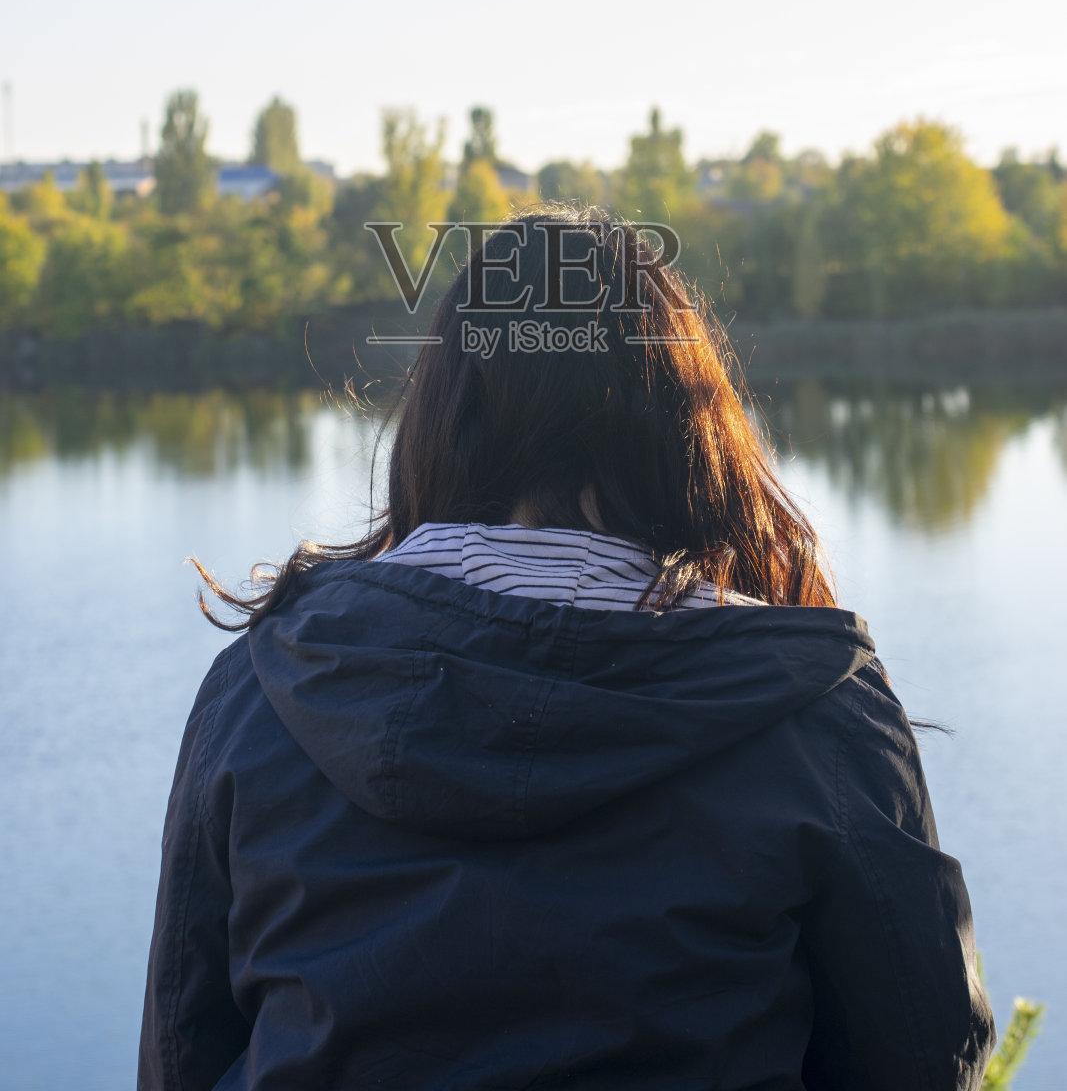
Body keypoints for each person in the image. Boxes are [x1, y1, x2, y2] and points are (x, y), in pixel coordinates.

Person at [138, 209, 995, 1090]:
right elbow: (924, 1064)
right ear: (682, 426)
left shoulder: (262, 686)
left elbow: (181, 1053)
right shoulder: (819, 713)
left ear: (440, 415)